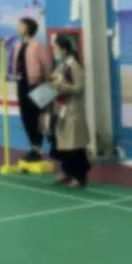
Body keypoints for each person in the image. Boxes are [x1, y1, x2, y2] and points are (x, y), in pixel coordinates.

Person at [49, 36, 90, 188]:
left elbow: (78, 88)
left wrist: (61, 86)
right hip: (61, 109)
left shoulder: (74, 66)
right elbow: (55, 81)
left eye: (55, 48)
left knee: (75, 145)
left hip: (73, 109)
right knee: (63, 144)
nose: (53, 51)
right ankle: (67, 171)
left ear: (64, 49)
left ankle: (79, 176)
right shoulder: (61, 65)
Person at [11, 17, 52, 162]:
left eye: (21, 25)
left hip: (36, 85)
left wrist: (47, 84)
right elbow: (15, 65)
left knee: (37, 117)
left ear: (28, 28)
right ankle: (33, 147)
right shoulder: (17, 45)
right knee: (25, 116)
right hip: (21, 85)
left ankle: (37, 149)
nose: (18, 27)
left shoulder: (37, 45)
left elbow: (47, 65)